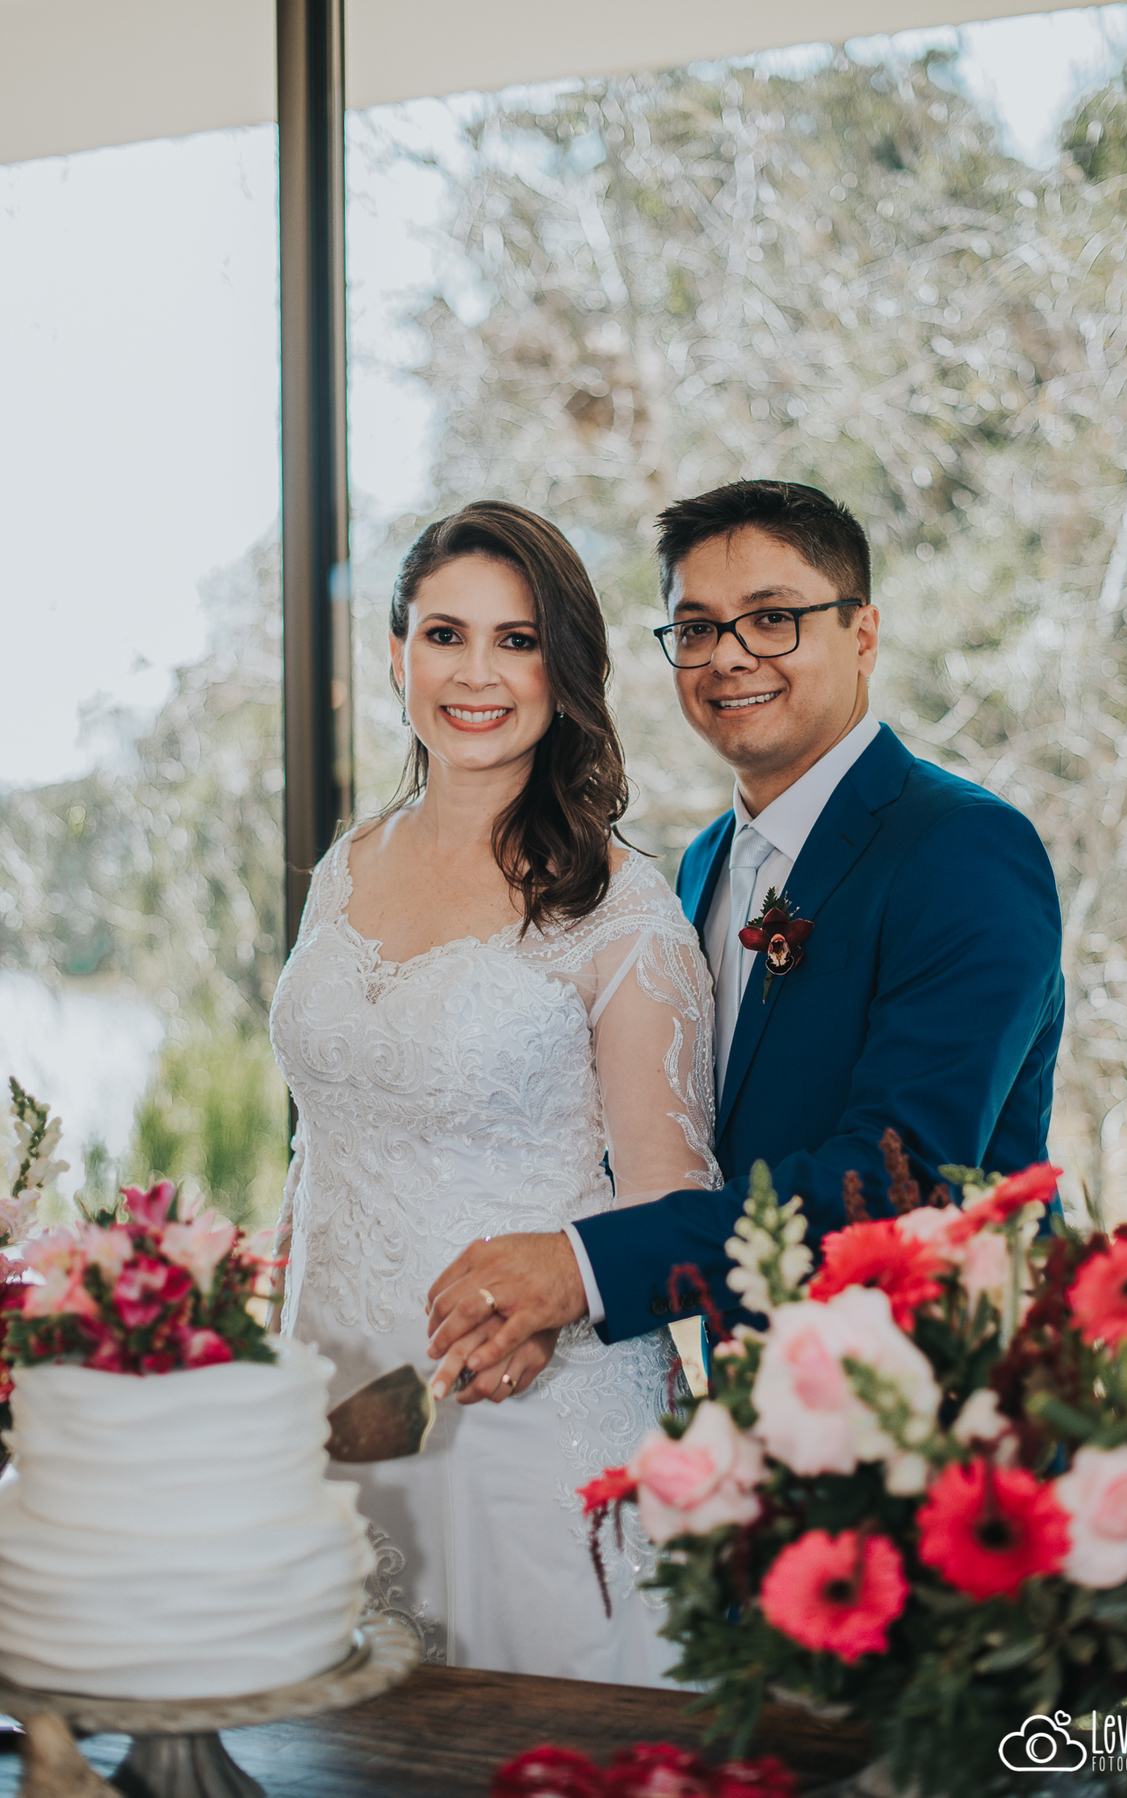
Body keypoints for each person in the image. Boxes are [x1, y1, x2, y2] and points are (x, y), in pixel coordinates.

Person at [426, 479, 1065, 1380]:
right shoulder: (700, 865)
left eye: (772, 620)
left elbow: (904, 1177)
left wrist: (584, 1272)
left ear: (863, 635)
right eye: (696, 628)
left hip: (943, 1398)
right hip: (755, 1394)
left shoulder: (964, 849)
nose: (728, 656)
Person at [269, 500, 719, 1683]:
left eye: (516, 641)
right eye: (445, 635)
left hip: (524, 1408)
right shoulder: (345, 865)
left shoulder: (622, 910)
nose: (476, 674)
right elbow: (322, 1137)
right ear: (398, 654)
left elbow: (674, 1205)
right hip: (326, 1397)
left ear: (563, 673)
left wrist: (556, 1303)